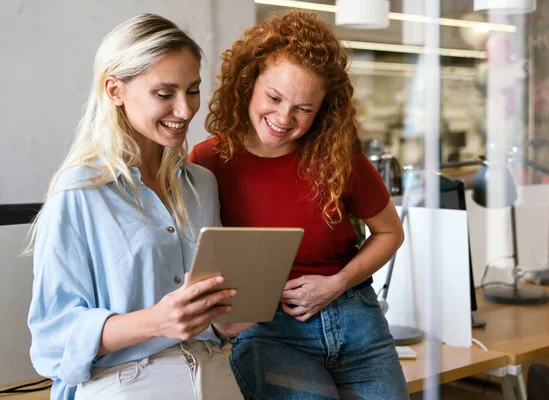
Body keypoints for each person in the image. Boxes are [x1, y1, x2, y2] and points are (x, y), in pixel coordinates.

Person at [189, 11, 409, 400]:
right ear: (248, 82)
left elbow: (390, 232)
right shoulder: (208, 161)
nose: (283, 118)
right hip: (270, 332)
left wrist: (336, 283)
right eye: (274, 97)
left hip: (358, 317)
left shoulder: (339, 154)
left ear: (323, 109)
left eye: (304, 109)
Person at [26, 14, 244, 400]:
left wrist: (227, 318)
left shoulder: (202, 185)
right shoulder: (78, 192)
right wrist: (156, 321)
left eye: (192, 90)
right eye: (165, 93)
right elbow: (53, 339)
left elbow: (208, 313)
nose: (185, 109)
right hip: (128, 382)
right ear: (114, 90)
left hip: (215, 375)